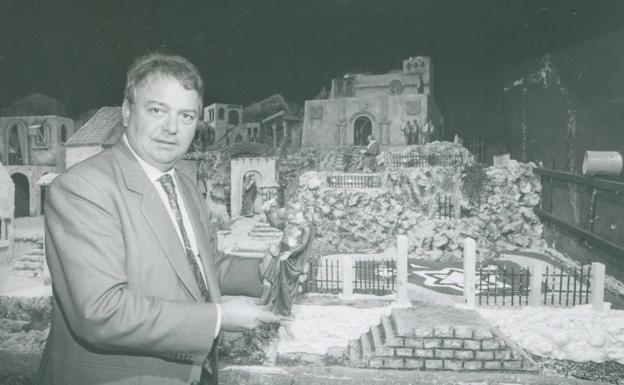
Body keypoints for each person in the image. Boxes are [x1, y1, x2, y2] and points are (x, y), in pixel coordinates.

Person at [37, 53, 282, 385]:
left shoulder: (184, 184)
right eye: (157, 110)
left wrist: (264, 269)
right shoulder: (84, 187)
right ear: (126, 112)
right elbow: (101, 312)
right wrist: (218, 317)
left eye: (186, 115)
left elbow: (200, 266)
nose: (171, 128)